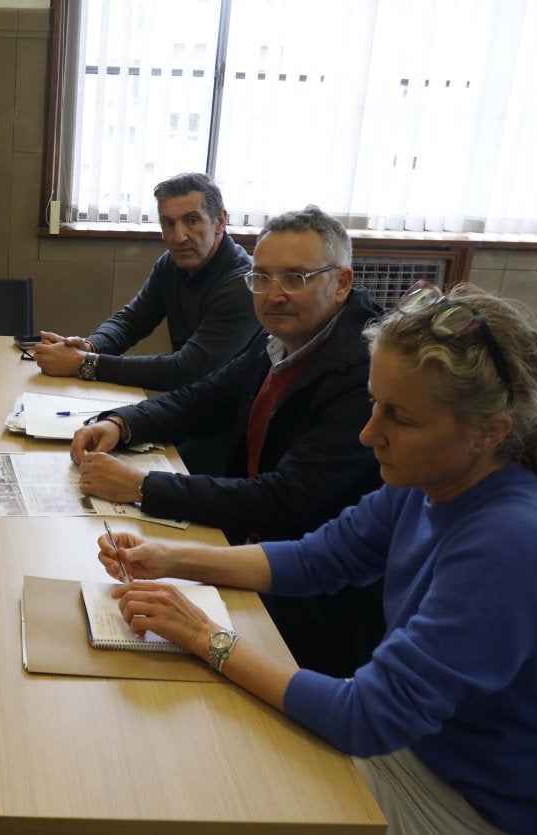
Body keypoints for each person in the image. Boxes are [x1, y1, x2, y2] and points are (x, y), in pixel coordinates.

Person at [94, 283, 537, 834]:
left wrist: (202, 635)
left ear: (488, 433)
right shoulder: (432, 478)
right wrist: (168, 557)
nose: (369, 432)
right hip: (415, 754)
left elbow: (364, 719)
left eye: (400, 418)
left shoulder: (517, 543)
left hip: (467, 807)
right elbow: (318, 559)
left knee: (196, 790)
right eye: (375, 403)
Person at [71, 205, 384, 676]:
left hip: (309, 602)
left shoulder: (364, 371)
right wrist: (120, 423)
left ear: (341, 283)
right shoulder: (286, 335)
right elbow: (205, 398)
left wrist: (140, 486)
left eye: (295, 278)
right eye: (261, 277)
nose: (273, 295)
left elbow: (285, 500)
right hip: (248, 552)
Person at [32, 172, 257, 390]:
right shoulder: (171, 264)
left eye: (192, 220)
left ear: (220, 222)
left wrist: (85, 363)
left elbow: (186, 370)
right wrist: (89, 346)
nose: (178, 237)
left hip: (228, 416)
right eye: (169, 223)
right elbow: (131, 321)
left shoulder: (243, 283)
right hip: (189, 402)